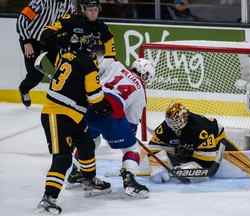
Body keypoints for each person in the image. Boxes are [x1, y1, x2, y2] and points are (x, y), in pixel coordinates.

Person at [36, 31, 112, 214]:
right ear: (88, 48)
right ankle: (48, 198)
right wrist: (103, 106)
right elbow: (95, 97)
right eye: (95, 48)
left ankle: (88, 179)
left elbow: (74, 84)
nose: (97, 52)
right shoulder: (88, 64)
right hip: (56, 113)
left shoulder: (67, 56)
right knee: (63, 158)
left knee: (86, 145)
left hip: (74, 114)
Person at [68, 57, 155, 198]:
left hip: (88, 106)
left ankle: (76, 172)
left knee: (90, 140)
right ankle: (130, 182)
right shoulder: (140, 92)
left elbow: (92, 75)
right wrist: (126, 135)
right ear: (146, 76)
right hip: (109, 113)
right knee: (131, 148)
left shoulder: (115, 64)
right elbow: (132, 124)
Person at [148, 102, 237, 183]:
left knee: (195, 157)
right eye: (170, 122)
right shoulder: (166, 127)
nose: (172, 126)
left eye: (176, 122)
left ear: (184, 118)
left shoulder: (200, 129)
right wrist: (157, 165)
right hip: (191, 141)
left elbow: (208, 162)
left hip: (216, 137)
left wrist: (190, 154)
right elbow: (153, 147)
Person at [16, 0, 75, 107]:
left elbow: (72, 22)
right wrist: (26, 41)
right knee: (36, 75)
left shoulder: (68, 4)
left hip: (50, 40)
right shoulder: (41, 2)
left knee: (60, 69)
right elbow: (22, 20)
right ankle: (24, 89)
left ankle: (61, 98)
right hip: (32, 39)